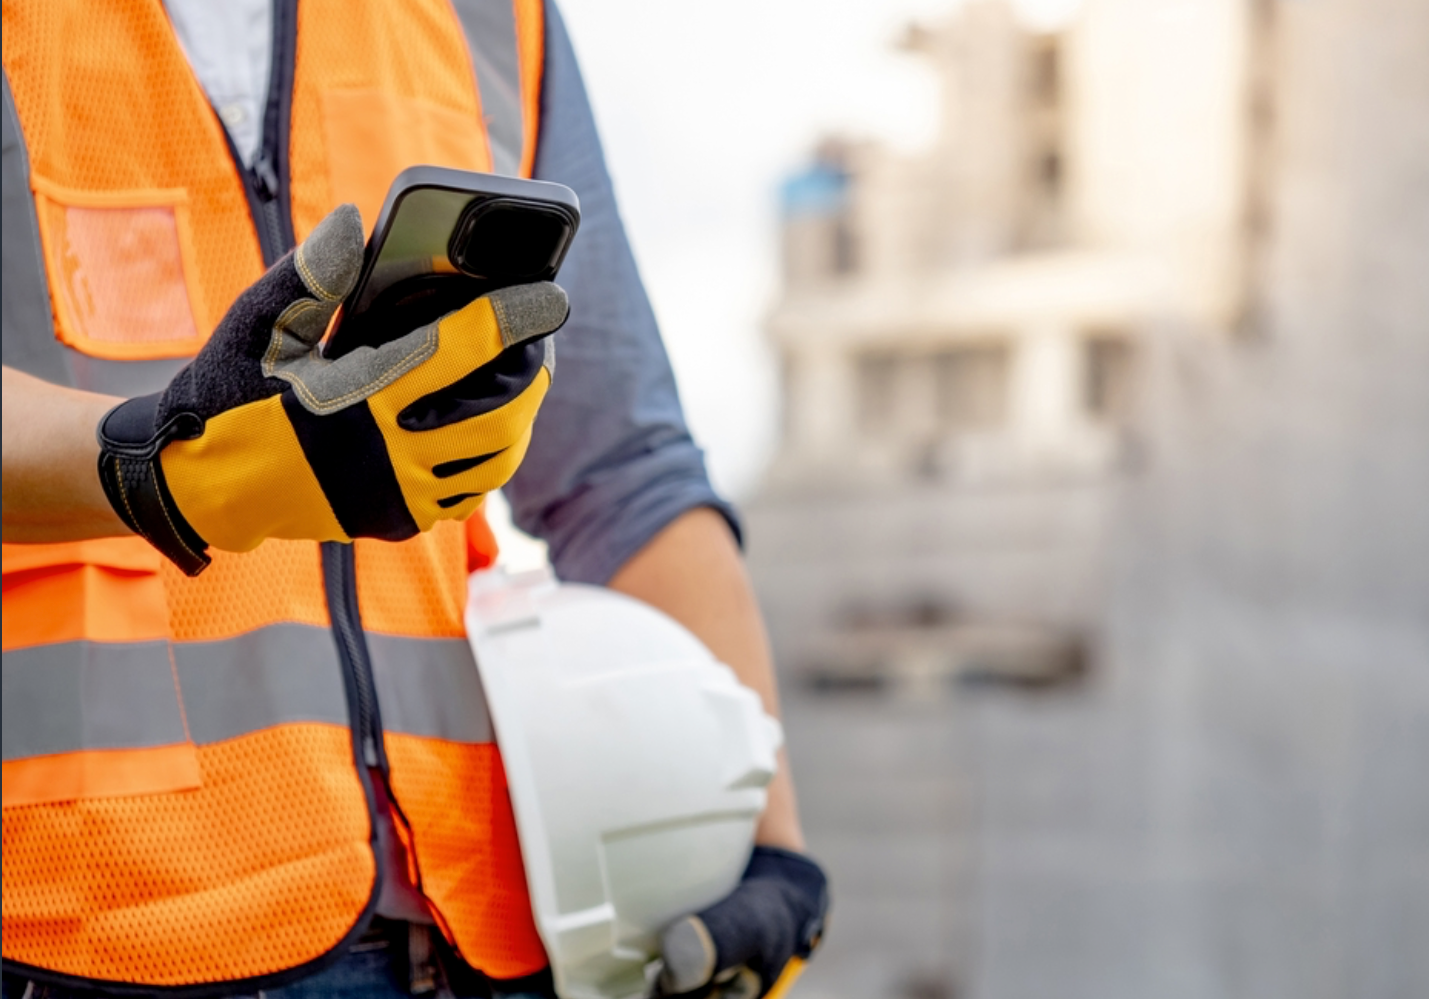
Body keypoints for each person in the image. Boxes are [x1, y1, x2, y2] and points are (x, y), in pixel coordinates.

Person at [0, 2, 826, 997]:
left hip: (478, 933)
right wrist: (165, 464)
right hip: (84, 933)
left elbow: (621, 471)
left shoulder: (491, 15)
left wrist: (763, 839)